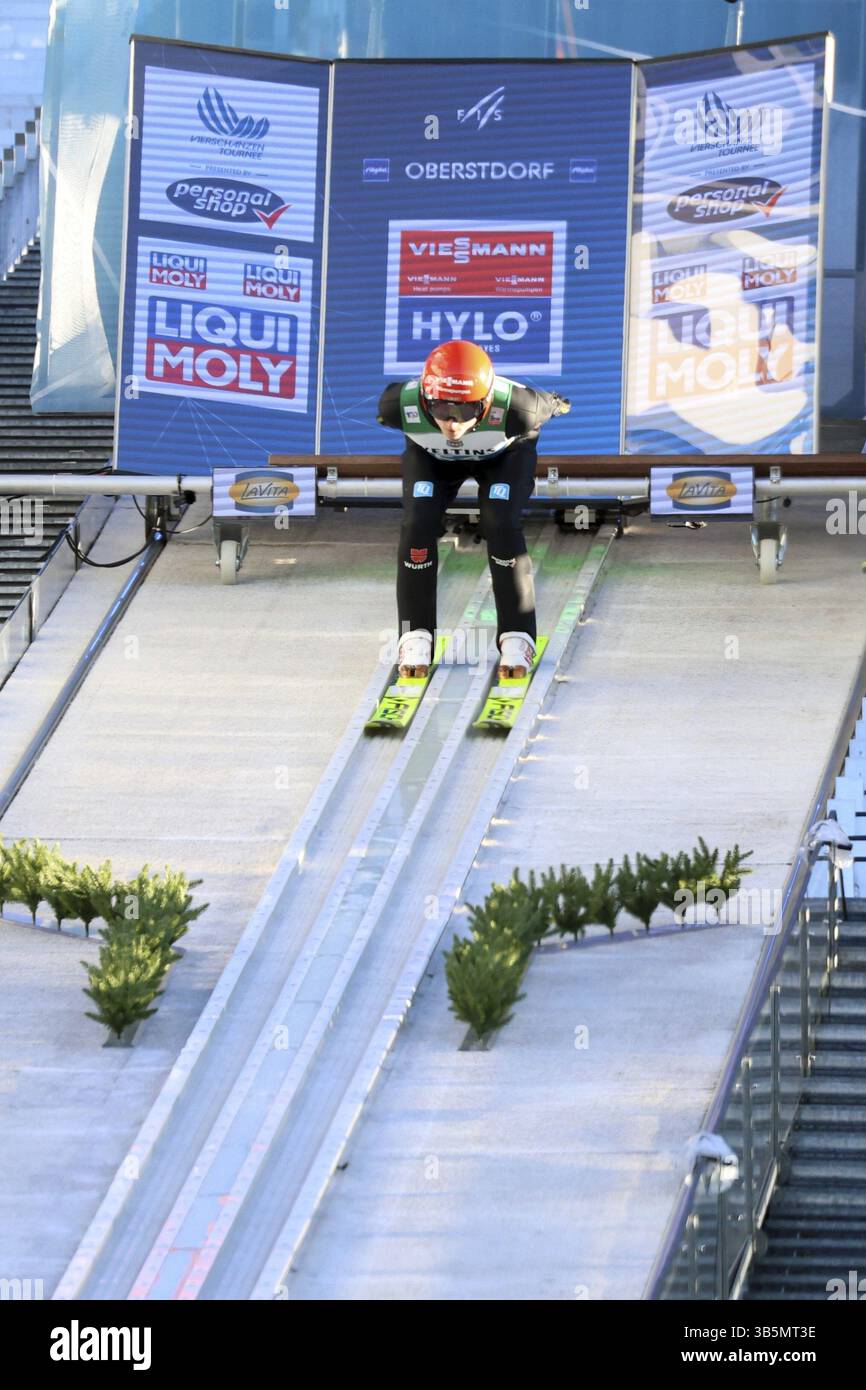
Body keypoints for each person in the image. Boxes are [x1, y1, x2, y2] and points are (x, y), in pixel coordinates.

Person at [376, 339, 570, 680]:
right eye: (439, 409)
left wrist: (556, 403)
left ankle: (518, 636)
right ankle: (414, 634)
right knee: (416, 523)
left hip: (503, 457)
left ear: (486, 402)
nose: (452, 424)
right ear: (423, 399)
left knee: (500, 522)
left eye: (466, 411)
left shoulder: (520, 409)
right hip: (434, 460)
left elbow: (552, 404)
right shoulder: (396, 404)